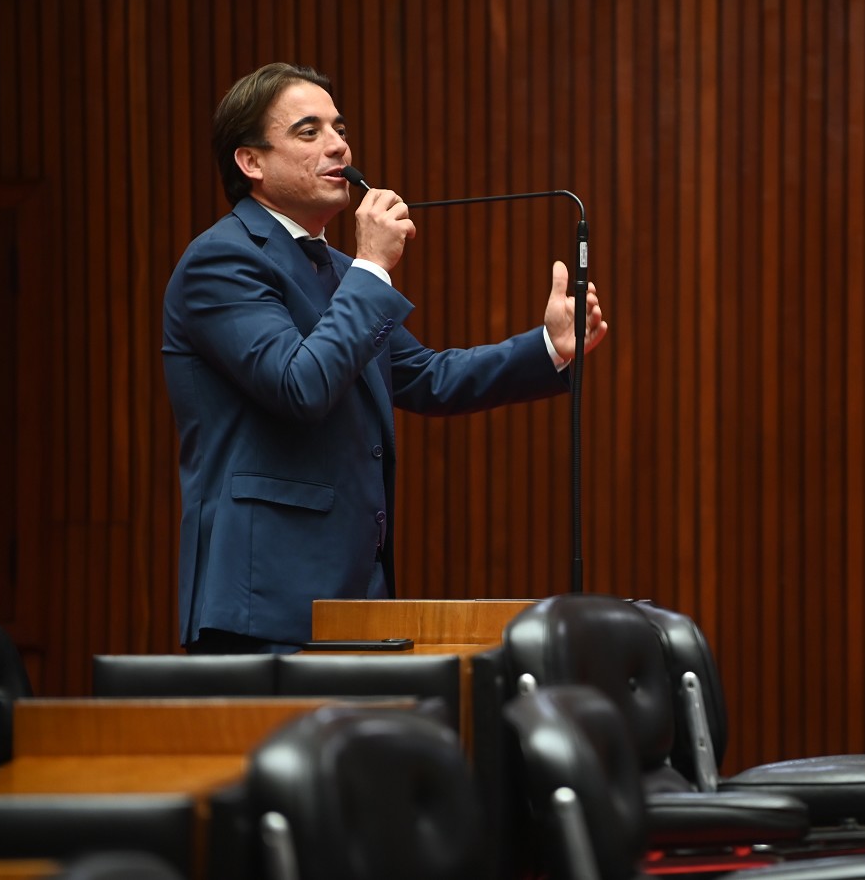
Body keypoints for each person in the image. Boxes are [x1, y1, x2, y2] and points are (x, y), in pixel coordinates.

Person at [161, 63, 607, 653]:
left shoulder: (339, 273)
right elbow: (299, 386)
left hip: (353, 598)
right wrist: (372, 265)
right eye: (309, 131)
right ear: (251, 162)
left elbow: (425, 377)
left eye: (339, 128)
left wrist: (550, 347)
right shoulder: (221, 261)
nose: (338, 145)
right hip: (261, 600)